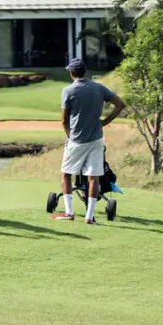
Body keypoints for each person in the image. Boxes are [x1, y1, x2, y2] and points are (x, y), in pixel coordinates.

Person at [54, 57, 125, 224]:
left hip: (77, 140)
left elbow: (64, 119)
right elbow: (120, 104)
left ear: (71, 73)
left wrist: (69, 135)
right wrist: (105, 122)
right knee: (93, 177)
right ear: (84, 72)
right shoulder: (99, 87)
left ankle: (69, 212)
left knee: (66, 174)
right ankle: (89, 217)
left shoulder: (68, 91)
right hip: (96, 139)